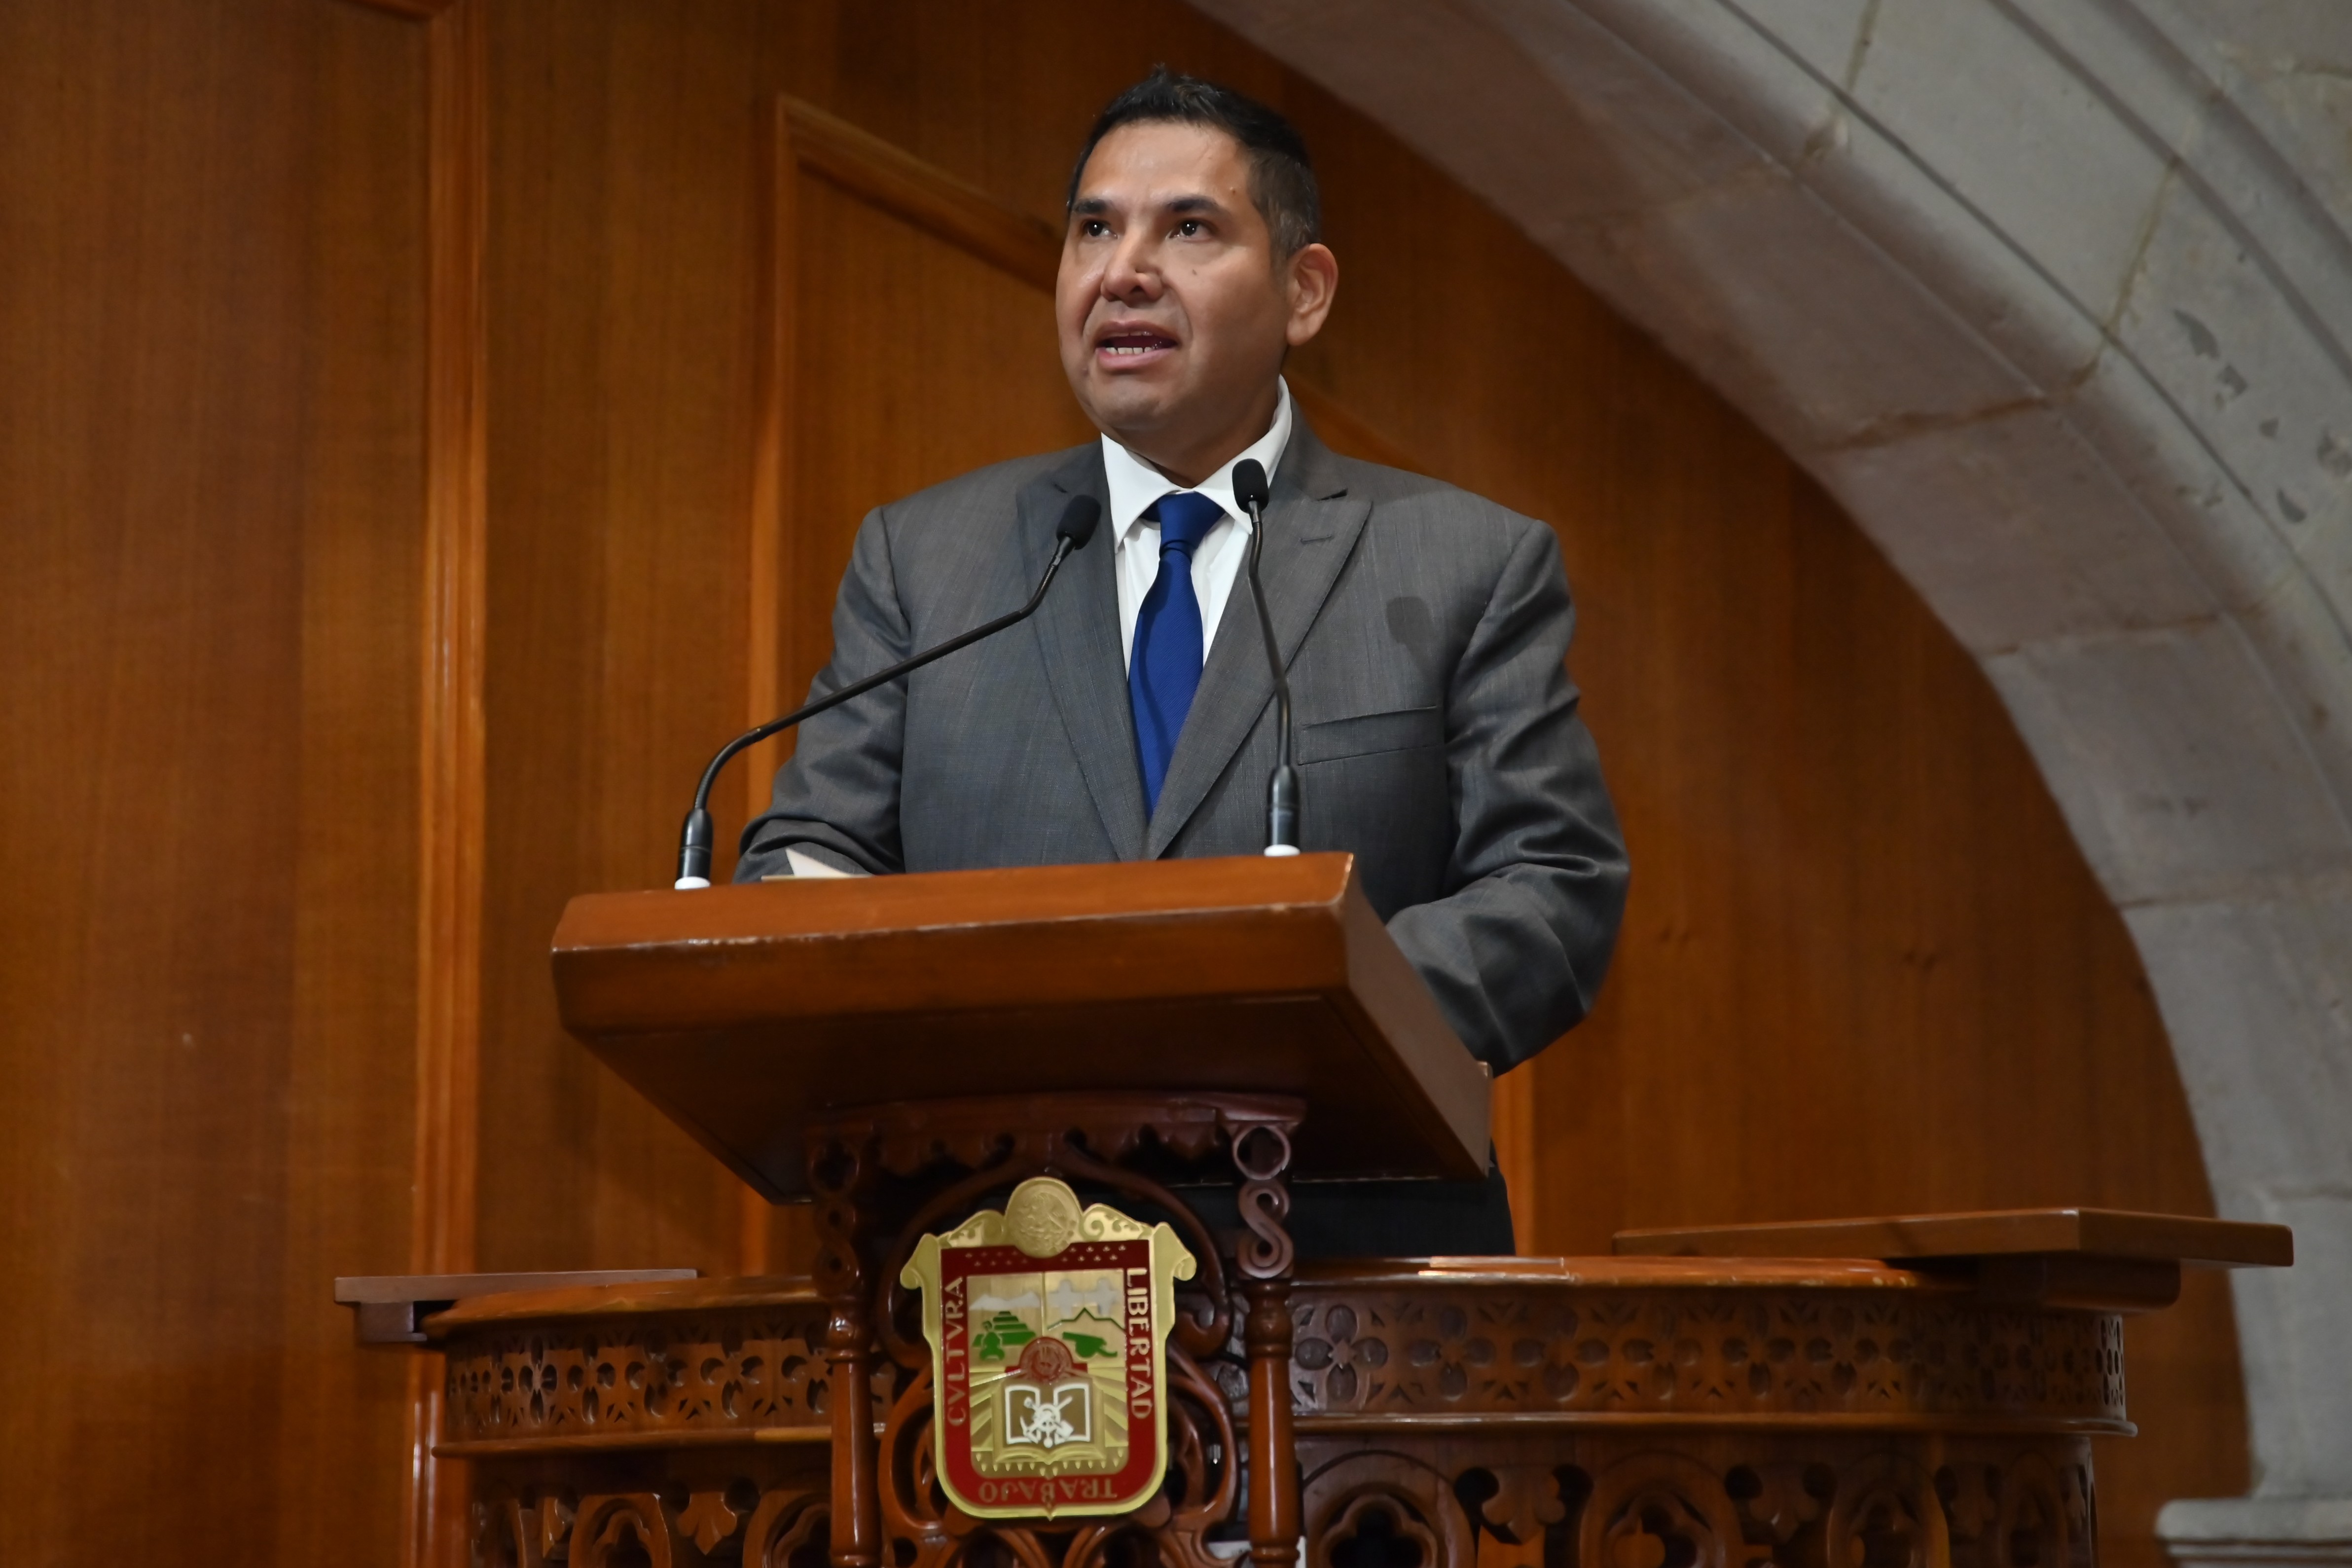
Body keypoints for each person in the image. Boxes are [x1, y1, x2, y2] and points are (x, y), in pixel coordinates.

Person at [737, 68, 1628, 1257]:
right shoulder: (924, 560)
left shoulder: (1463, 562)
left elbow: (1552, 888)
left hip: (1345, 1267)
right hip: (989, 1263)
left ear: (1304, 291)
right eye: (1095, 229)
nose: (1124, 272)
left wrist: (1283, 1006)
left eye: (1190, 229)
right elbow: (812, 854)